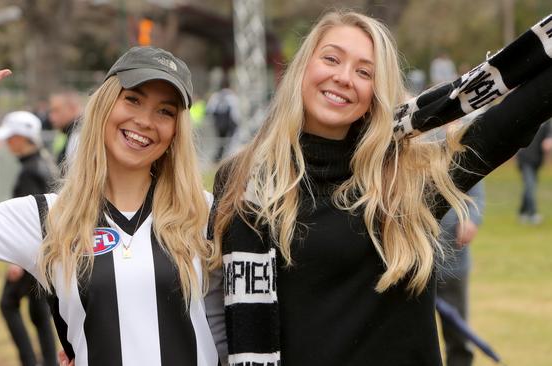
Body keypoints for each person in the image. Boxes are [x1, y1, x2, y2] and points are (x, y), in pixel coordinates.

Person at [210, 10, 552, 366]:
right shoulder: (244, 179)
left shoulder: (411, 176)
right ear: (302, 68)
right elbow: (214, 313)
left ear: (377, 91)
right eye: (331, 59)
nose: (343, 78)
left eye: (364, 72)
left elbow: (522, 112)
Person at [0, 33, 225, 366]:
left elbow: (232, 333)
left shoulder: (207, 213)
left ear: (176, 131)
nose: (144, 120)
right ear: (104, 106)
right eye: (133, 100)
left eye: (165, 111)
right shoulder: (47, 219)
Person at [0, 111, 58, 366]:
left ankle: (31, 362)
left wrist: (17, 262)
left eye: (10, 138)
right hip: (47, 253)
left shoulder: (29, 172)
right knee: (39, 310)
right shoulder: (45, 161)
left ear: (21, 139)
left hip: (34, 254)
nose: (8, 144)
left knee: (8, 303)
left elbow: (34, 221)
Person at [437, 181, 485, 366]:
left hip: (453, 264)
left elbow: (476, 196)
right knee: (410, 337)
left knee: (458, 336)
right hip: (411, 268)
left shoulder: (461, 153)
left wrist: (471, 220)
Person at [516, 119, 552, 224]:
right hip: (525, 159)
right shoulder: (529, 117)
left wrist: (549, 141)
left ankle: (522, 212)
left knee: (529, 187)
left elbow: (549, 137)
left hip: (536, 161)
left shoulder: (547, 122)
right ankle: (532, 214)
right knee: (530, 186)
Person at [206, 77, 239, 162]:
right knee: (230, 142)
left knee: (220, 142)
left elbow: (209, 109)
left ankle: (218, 158)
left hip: (218, 124)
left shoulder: (215, 96)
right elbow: (235, 113)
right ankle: (229, 158)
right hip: (230, 123)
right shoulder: (232, 96)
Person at [48, 90, 82, 172]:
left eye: (56, 110)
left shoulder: (80, 135)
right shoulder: (71, 133)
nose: (51, 117)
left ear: (73, 108)